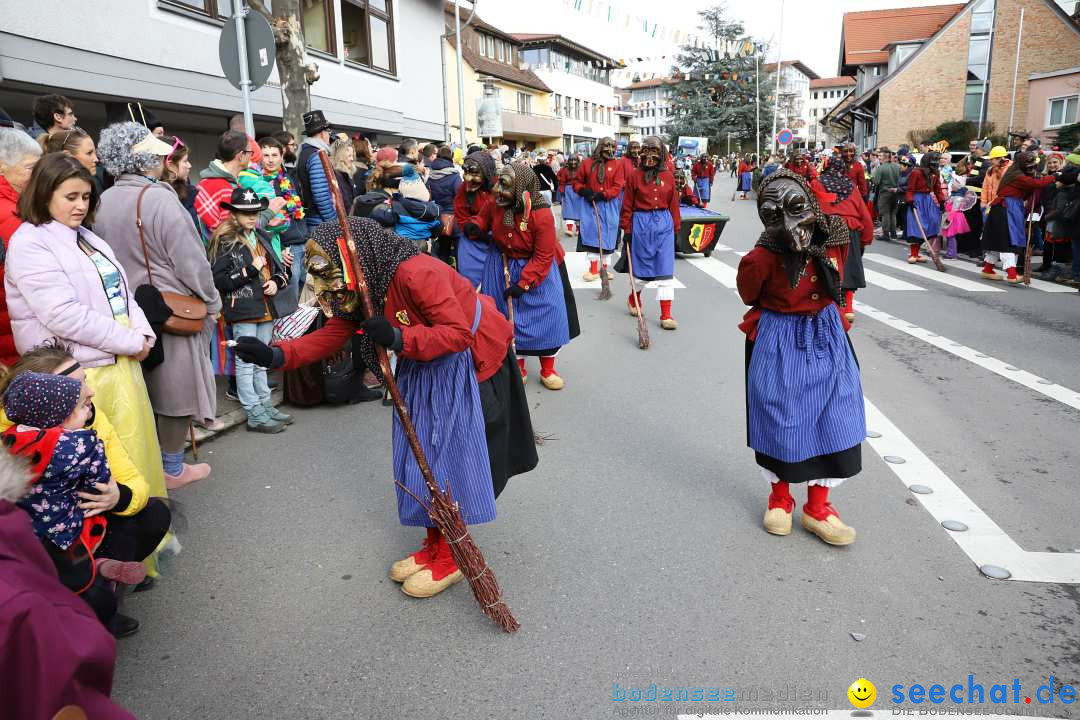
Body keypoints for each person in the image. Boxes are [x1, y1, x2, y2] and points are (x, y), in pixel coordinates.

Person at [233, 217, 538, 598]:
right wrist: (276, 354)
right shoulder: (364, 282)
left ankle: (450, 555)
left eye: (329, 270)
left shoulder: (417, 272)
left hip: (463, 362)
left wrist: (397, 335)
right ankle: (433, 545)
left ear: (352, 256)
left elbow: (458, 333)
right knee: (418, 454)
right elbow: (336, 331)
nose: (328, 282)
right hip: (421, 361)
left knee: (445, 459)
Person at [6, 153, 166, 513]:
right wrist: (131, 341)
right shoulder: (30, 242)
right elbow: (62, 315)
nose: (80, 205)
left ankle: (140, 539)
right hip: (74, 372)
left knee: (132, 453)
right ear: (45, 193)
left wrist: (142, 334)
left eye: (86, 197)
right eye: (70, 197)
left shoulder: (87, 237)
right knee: (95, 466)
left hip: (117, 362)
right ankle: (108, 554)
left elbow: (122, 295)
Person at [737, 169, 864, 546]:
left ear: (810, 203)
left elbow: (845, 278)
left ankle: (818, 508)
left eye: (796, 208)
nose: (791, 223)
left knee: (835, 411)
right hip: (780, 336)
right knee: (781, 415)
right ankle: (779, 499)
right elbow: (748, 294)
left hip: (825, 332)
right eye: (775, 214)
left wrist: (843, 310)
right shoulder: (760, 256)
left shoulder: (832, 236)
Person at [94, 122, 222, 488]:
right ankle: (171, 466)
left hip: (121, 309)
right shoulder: (160, 198)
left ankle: (147, 465)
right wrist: (211, 300)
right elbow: (190, 260)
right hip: (168, 308)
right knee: (175, 393)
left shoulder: (100, 199)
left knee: (141, 393)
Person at [0, 450, 137, 718]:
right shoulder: (19, 604)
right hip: (76, 539)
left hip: (49, 539)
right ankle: (103, 572)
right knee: (91, 595)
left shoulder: (18, 437)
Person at [464, 161, 579, 389]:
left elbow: (543, 256)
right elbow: (484, 218)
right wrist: (476, 226)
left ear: (520, 189)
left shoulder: (541, 214)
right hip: (502, 263)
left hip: (537, 269)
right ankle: (519, 366)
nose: (497, 191)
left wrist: (524, 283)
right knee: (506, 316)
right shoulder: (495, 202)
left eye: (504, 186)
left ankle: (548, 369)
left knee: (547, 316)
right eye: (498, 184)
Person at [208, 187, 291, 432]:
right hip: (243, 309)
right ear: (233, 214)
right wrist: (250, 271)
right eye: (246, 213)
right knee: (245, 363)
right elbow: (219, 281)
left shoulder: (261, 235)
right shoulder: (224, 241)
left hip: (265, 306)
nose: (252, 217)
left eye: (255, 212)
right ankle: (254, 412)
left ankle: (265, 405)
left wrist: (276, 281)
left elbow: (279, 270)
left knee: (261, 360)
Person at [618, 136, 680, 330]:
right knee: (643, 272)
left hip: (664, 224)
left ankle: (666, 315)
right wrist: (627, 229)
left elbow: (674, 204)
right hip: (641, 224)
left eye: (655, 151)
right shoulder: (634, 176)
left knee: (665, 269)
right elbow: (627, 204)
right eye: (647, 150)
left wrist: (676, 228)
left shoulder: (669, 176)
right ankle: (633, 297)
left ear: (661, 154)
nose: (650, 156)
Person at [980, 151, 1057, 284]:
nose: (1031, 168)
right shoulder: (1017, 176)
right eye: (1029, 165)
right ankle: (1011, 274)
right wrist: (1054, 176)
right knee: (1008, 241)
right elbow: (1037, 184)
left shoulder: (1016, 173)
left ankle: (988, 269)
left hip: (1008, 208)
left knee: (999, 241)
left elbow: (1031, 186)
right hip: (1005, 209)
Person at [0, 128, 42, 367]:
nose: (37, 175)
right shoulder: (10, 215)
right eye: (29, 168)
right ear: (2, 167)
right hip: (13, 333)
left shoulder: (19, 205)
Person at [817, 159, 874, 323]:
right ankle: (848, 308)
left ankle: (830, 305)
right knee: (849, 265)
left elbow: (815, 206)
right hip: (850, 229)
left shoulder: (818, 183)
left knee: (828, 265)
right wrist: (865, 238)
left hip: (827, 227)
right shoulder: (850, 187)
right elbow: (863, 212)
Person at [194, 130, 271, 238]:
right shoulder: (221, 187)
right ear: (240, 156)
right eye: (250, 152)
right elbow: (233, 234)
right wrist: (269, 213)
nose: (251, 157)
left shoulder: (211, 183)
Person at [573, 137, 625, 282]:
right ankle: (593, 269)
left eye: (612, 147)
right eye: (606, 146)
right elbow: (576, 182)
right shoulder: (587, 163)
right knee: (592, 234)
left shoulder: (617, 164)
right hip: (590, 205)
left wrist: (603, 194)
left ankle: (604, 269)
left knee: (607, 235)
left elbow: (618, 185)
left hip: (609, 205)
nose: (609, 149)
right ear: (600, 147)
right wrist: (584, 191)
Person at [453, 150, 496, 287]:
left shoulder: (500, 187)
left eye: (474, 173)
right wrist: (468, 227)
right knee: (470, 283)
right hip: (472, 242)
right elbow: (460, 212)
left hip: (497, 242)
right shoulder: (463, 189)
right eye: (465, 172)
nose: (468, 178)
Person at [904, 152, 945, 264]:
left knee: (931, 223)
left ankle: (917, 253)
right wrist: (910, 201)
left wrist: (941, 201)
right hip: (917, 200)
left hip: (928, 200)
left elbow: (937, 189)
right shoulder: (916, 172)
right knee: (917, 226)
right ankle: (913, 254)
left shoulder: (935, 174)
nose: (935, 163)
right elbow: (910, 189)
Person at [1033, 154, 1068, 279]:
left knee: (1054, 240)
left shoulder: (1062, 176)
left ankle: (1054, 267)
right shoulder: (1046, 176)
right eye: (1050, 163)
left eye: (1055, 162)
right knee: (1046, 238)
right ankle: (1046, 263)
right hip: (1045, 210)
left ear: (1061, 163)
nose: (1052, 165)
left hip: (1055, 212)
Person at [160, 135, 198, 227]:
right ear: (170, 165)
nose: (189, 165)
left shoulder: (190, 192)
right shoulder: (157, 198)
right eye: (185, 161)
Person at [871, 149, 901, 240]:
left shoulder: (881, 168)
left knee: (885, 214)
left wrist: (871, 178)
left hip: (885, 192)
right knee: (893, 213)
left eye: (880, 156)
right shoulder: (897, 167)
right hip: (896, 192)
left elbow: (876, 182)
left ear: (884, 157)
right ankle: (893, 233)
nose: (879, 158)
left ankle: (886, 234)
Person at [427, 145, 462, 216]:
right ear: (451, 157)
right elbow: (460, 196)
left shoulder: (430, 173)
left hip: (435, 212)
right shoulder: (454, 175)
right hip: (452, 213)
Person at [557, 153, 583, 236]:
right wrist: (561, 191)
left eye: (574, 160)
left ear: (578, 161)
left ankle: (578, 230)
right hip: (568, 192)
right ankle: (569, 229)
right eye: (571, 160)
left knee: (579, 211)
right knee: (569, 210)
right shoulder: (564, 170)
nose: (573, 162)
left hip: (579, 191)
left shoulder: (581, 169)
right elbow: (561, 180)